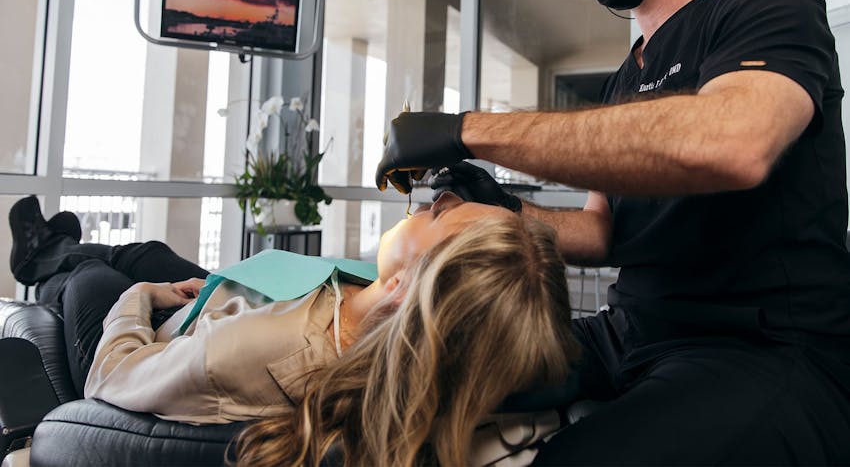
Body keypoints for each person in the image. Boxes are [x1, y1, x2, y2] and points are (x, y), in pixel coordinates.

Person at [376, 0, 850, 466]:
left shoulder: (764, 4)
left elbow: (733, 144)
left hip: (760, 346)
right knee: (406, 373)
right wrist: (505, 209)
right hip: (627, 334)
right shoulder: (626, 78)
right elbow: (602, 231)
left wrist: (466, 130)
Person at [8, 194, 578, 459]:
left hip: (156, 342)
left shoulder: (259, 351)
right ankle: (60, 244)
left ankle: (49, 258)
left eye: (440, 213)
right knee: (148, 252)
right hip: (229, 301)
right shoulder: (385, 311)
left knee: (96, 279)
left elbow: (111, 377)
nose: (436, 198)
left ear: (408, 286)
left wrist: (140, 299)